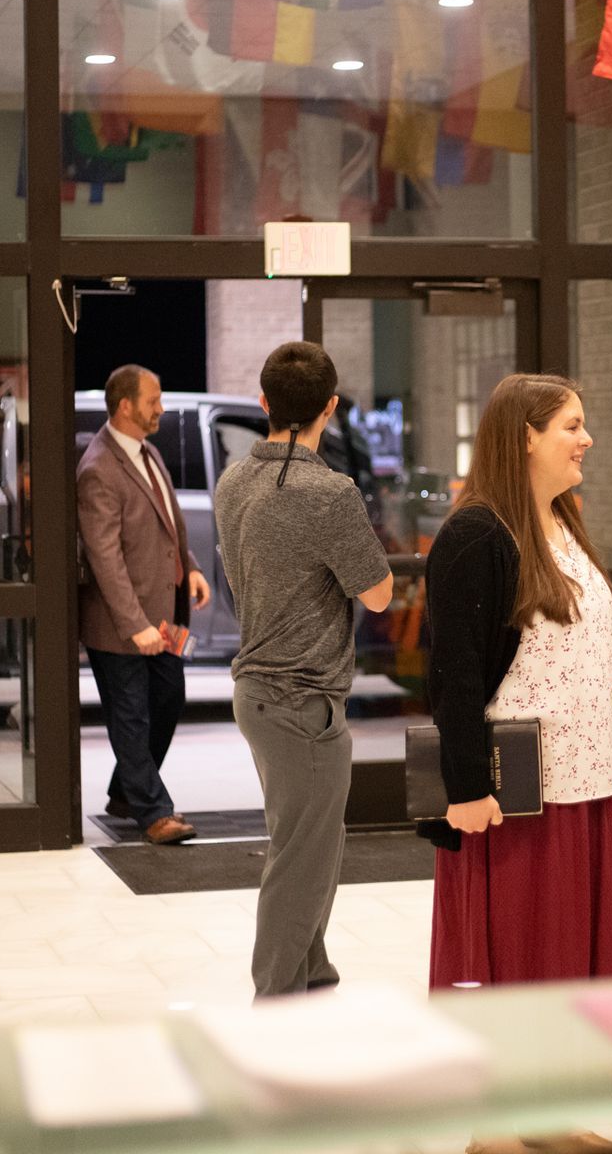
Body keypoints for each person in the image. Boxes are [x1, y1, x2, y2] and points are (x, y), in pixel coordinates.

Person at [422, 373, 612, 987]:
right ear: (525, 439)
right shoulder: (477, 535)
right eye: (571, 426)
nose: (587, 439)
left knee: (580, 968)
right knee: (528, 963)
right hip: (515, 803)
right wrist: (463, 790)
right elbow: (455, 676)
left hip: (585, 785)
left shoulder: (564, 523)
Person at [213, 343, 394, 998]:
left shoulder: (234, 482)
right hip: (303, 698)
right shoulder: (329, 492)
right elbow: (377, 593)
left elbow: (241, 577)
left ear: (264, 404)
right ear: (331, 408)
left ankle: (312, 970)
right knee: (300, 859)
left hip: (257, 691)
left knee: (311, 846)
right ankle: (279, 995)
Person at [78, 364, 212, 846]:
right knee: (131, 714)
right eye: (152, 400)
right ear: (126, 406)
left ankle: (124, 790)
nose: (160, 408)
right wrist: (134, 624)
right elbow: (104, 556)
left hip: (165, 615)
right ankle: (155, 812)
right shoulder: (98, 468)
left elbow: (169, 521)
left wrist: (191, 567)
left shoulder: (148, 452)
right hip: (122, 625)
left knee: (168, 700)